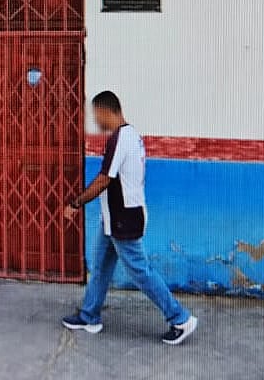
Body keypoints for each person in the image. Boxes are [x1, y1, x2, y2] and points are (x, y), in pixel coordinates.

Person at [61, 90, 198, 345]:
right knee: (101, 266)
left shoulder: (121, 139)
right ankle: (90, 315)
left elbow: (104, 179)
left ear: (105, 111)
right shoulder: (131, 136)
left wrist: (75, 203)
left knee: (140, 271)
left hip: (124, 218)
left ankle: (180, 318)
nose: (96, 120)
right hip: (113, 217)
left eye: (96, 114)